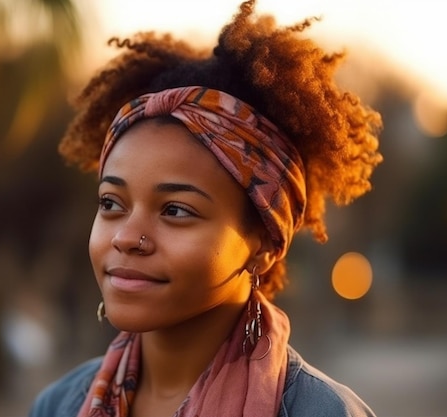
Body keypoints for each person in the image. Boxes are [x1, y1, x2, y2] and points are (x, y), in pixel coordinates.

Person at [30, 0, 383, 416]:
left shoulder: (321, 412)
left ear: (264, 242)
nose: (126, 237)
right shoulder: (59, 406)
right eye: (111, 203)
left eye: (176, 210)